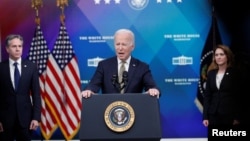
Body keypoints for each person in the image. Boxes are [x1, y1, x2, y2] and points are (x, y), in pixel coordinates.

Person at [81, 28, 160, 98]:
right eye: (117, 44)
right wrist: (89, 90)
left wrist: (153, 90)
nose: (120, 48)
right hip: (109, 110)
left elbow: (152, 87)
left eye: (124, 44)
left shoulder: (142, 67)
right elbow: (93, 85)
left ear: (132, 47)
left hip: (133, 110)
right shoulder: (104, 65)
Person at [0, 34, 41, 141]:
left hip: (26, 120)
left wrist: (36, 118)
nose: (18, 49)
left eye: (20, 46)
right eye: (14, 46)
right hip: (5, 121)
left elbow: (36, 95)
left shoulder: (31, 67)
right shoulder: (1, 68)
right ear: (7, 49)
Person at [202, 44, 240, 129]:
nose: (218, 57)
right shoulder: (211, 74)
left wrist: (237, 117)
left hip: (229, 116)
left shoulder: (235, 74)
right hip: (213, 115)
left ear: (228, 56)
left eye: (221, 54)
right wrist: (205, 116)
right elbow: (207, 97)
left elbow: (239, 97)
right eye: (216, 55)